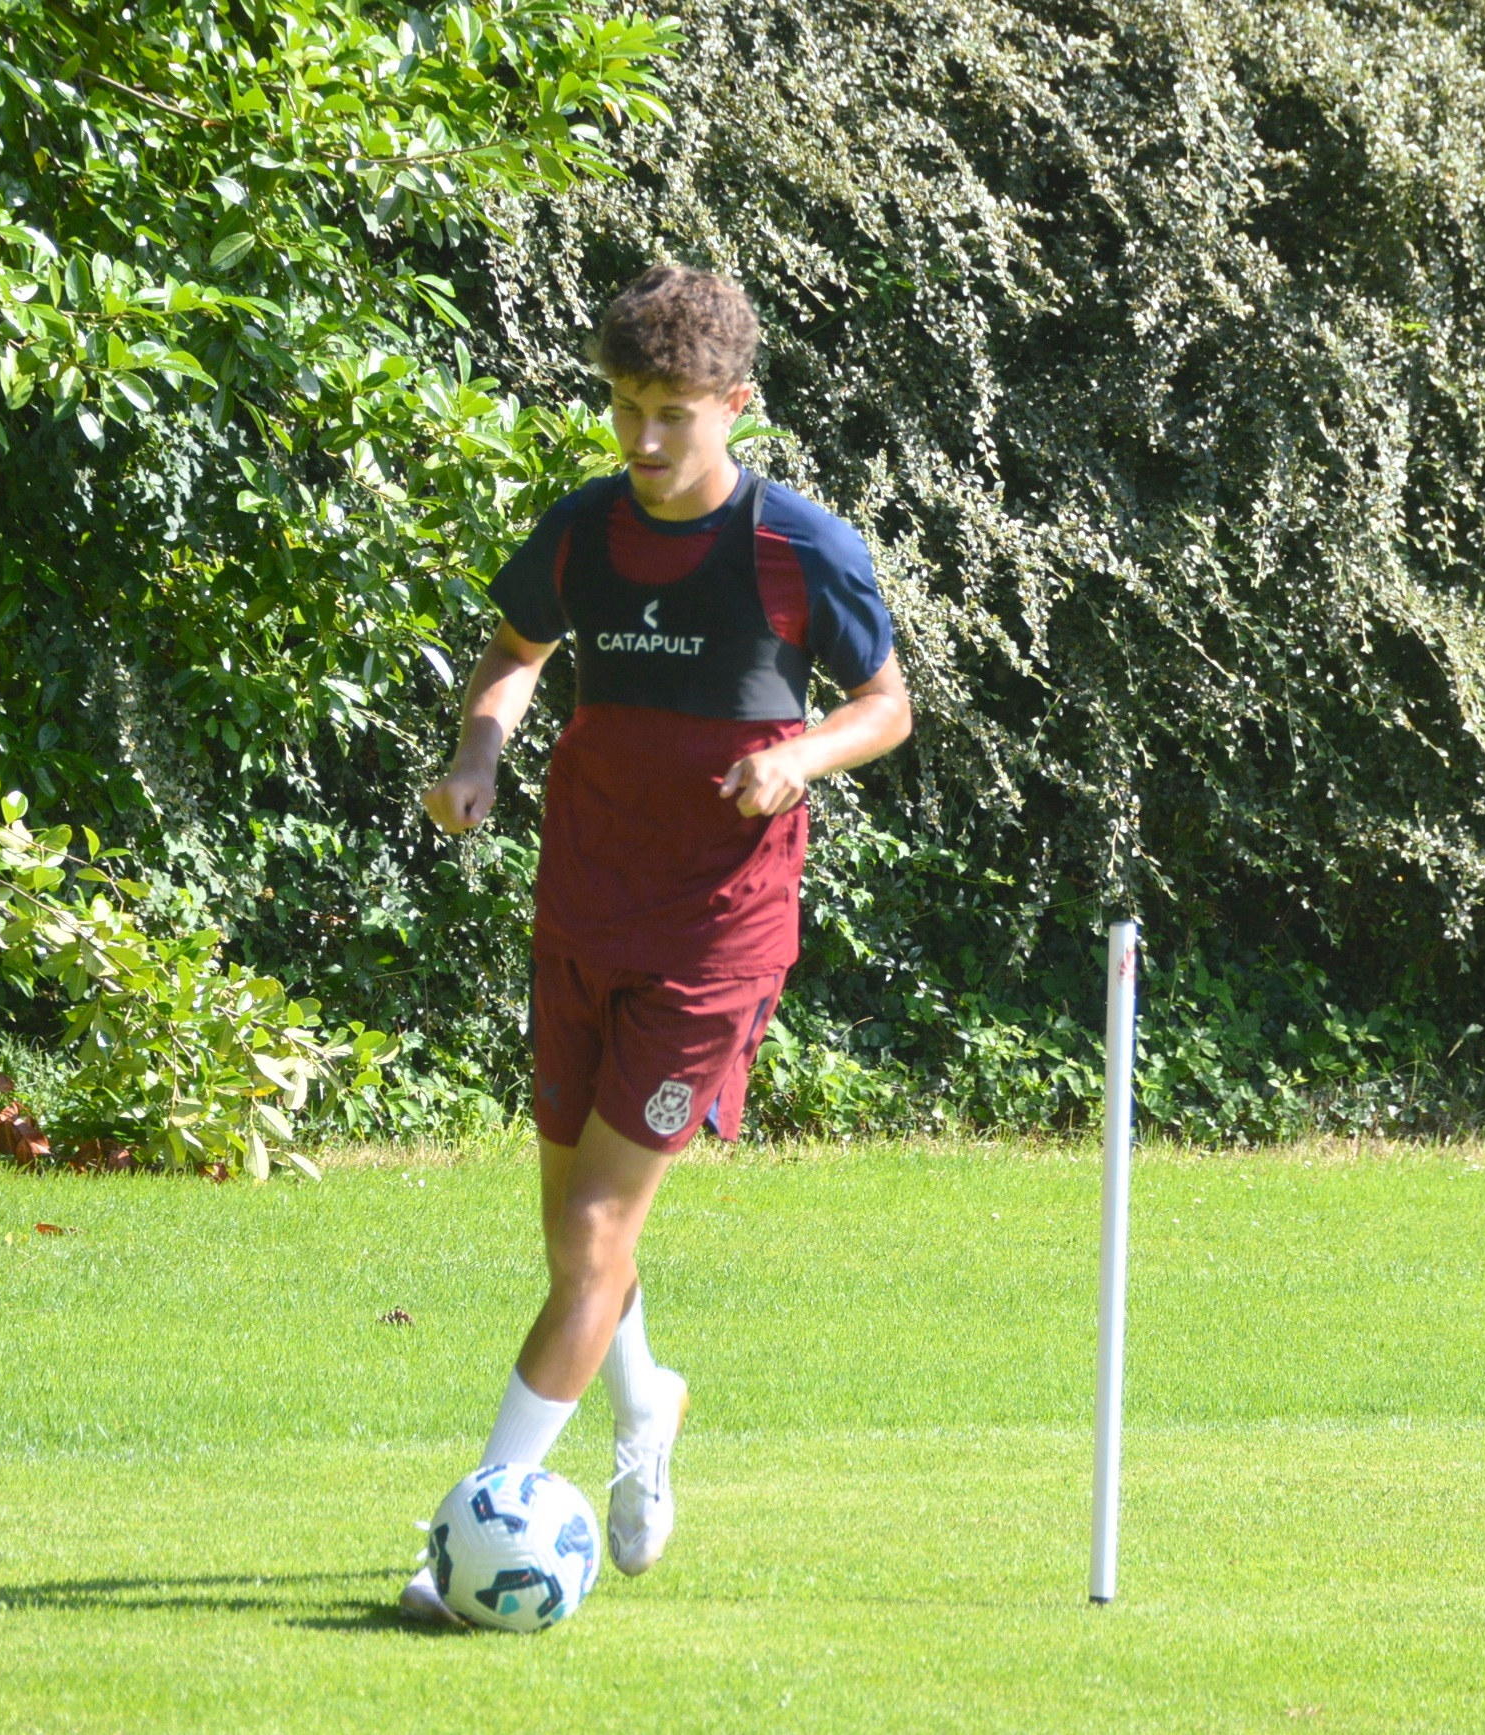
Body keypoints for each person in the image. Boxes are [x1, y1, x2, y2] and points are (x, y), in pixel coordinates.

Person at [401, 264, 911, 1623]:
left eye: (670, 414)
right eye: (624, 406)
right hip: (582, 908)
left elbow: (886, 707)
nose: (641, 438)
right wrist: (479, 754)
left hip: (712, 939)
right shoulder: (581, 530)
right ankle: (647, 1405)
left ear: (735, 405)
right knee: (573, 1238)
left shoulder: (797, 547)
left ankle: (475, 1525)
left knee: (593, 1232)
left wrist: (798, 757)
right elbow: (514, 653)